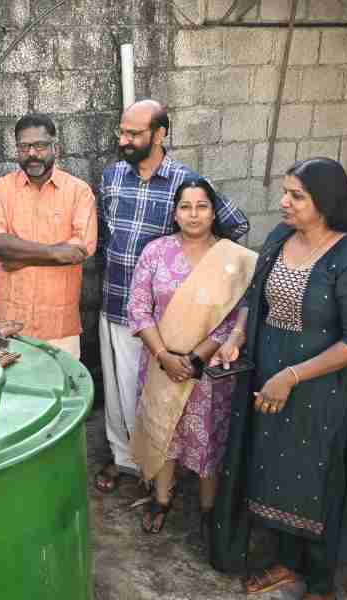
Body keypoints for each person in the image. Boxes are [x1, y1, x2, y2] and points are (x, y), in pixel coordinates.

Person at [209, 158, 347, 600]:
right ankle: (286, 564)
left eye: (296, 195)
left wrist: (291, 376)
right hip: (267, 375)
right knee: (271, 467)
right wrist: (237, 336)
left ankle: (321, 582)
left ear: (326, 202)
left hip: (319, 388)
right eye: (286, 192)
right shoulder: (281, 236)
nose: (284, 202)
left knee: (313, 476)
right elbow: (254, 295)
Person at [95, 98, 250, 494]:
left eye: (134, 133)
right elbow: (106, 234)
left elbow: (235, 227)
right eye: (122, 132)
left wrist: (203, 285)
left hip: (167, 321)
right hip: (116, 302)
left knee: (148, 395)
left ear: (160, 134)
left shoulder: (186, 181)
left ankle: (152, 465)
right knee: (116, 392)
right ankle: (124, 460)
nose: (124, 140)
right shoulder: (112, 176)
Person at [127, 179, 257, 537]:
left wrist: (196, 359)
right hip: (160, 364)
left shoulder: (232, 258)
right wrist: (164, 355)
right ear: (175, 212)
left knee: (207, 439)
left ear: (214, 212)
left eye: (202, 206)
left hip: (210, 370)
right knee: (164, 430)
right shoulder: (155, 251)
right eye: (185, 206)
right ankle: (162, 498)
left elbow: (237, 317)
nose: (194, 214)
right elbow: (138, 309)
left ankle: (207, 509)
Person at [0, 113, 96, 358]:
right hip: (8, 323)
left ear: (56, 146)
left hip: (59, 325)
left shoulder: (78, 192)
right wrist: (54, 252)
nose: (32, 153)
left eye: (40, 146)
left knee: (62, 394)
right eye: (24, 146)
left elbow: (80, 250)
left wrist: (21, 257)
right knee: (15, 393)